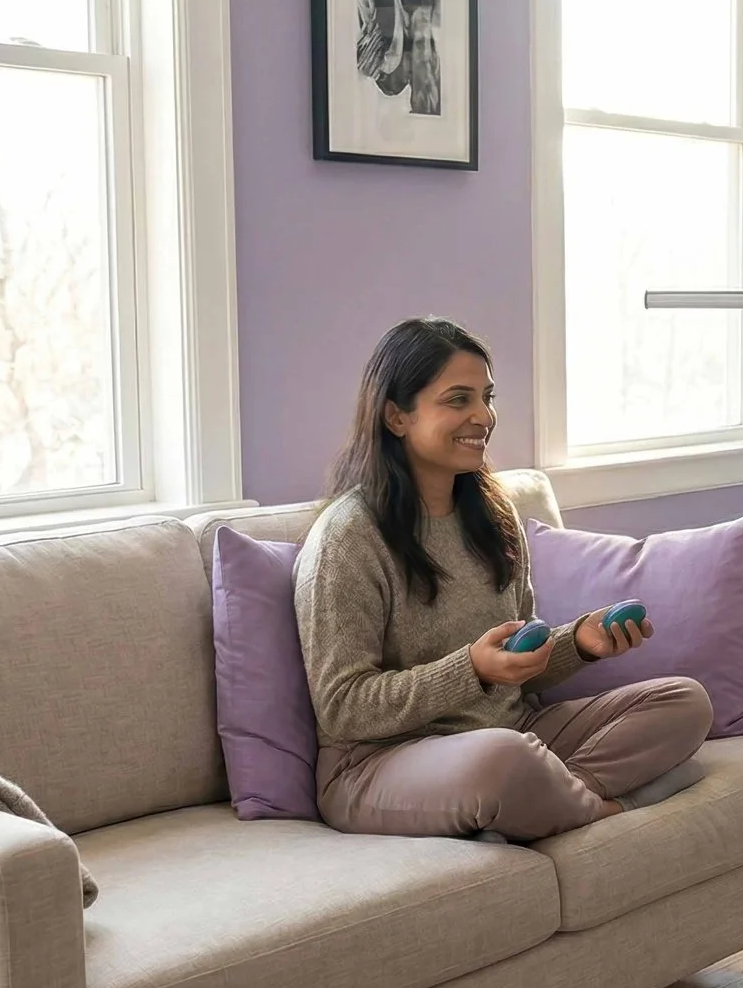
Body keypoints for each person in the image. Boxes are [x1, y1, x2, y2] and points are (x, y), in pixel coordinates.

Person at [295, 317, 709, 841]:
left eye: (487, 398)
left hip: (509, 734)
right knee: (503, 760)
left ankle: (543, 802)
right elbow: (342, 706)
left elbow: (518, 665)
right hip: (379, 763)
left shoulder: (493, 514)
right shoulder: (348, 537)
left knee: (684, 702)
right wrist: (471, 670)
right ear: (396, 416)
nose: (483, 416)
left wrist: (578, 642)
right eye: (458, 399)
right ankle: (596, 808)